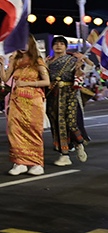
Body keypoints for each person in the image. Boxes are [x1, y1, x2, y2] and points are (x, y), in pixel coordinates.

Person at [0, 35, 50, 176]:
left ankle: (37, 163)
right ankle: (19, 162)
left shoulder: (37, 60)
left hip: (33, 101)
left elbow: (46, 81)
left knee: (33, 130)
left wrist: (27, 83)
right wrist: (3, 65)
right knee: (14, 130)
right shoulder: (15, 60)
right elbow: (5, 78)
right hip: (17, 101)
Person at [46, 36, 91, 166]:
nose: (58, 46)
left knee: (71, 123)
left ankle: (79, 143)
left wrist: (81, 63)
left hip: (69, 95)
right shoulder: (48, 62)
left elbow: (87, 70)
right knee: (57, 125)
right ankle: (64, 154)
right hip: (53, 96)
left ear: (65, 47)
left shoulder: (72, 60)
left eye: (61, 43)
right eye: (56, 43)